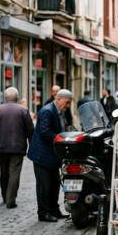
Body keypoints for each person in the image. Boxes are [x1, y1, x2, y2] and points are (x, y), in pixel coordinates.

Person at [28, 89, 73, 222]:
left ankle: (54, 210)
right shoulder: (47, 111)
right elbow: (45, 131)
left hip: (53, 156)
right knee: (44, 185)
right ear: (58, 99)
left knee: (54, 184)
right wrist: (61, 139)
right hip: (42, 156)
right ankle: (43, 213)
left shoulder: (60, 111)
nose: (68, 106)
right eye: (67, 102)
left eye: (69, 103)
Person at [0, 87, 34, 209]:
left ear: (5, 98)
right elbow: (30, 130)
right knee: (14, 173)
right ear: (16, 98)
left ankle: (4, 195)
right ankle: (10, 200)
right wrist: (32, 145)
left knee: (4, 172)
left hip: (2, 147)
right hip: (18, 147)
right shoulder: (23, 110)